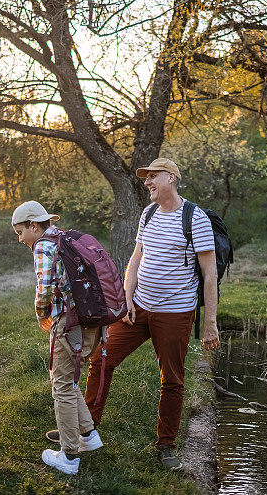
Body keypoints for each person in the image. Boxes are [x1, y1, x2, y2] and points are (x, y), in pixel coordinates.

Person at [84, 157, 221, 470]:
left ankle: (166, 445)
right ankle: (86, 429)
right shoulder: (148, 213)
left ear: (171, 178)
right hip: (138, 308)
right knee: (102, 359)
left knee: (171, 380)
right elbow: (136, 258)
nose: (146, 182)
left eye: (152, 177)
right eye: (145, 178)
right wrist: (126, 298)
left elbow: (209, 273)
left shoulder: (194, 217)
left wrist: (210, 323)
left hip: (175, 313)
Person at [12, 200, 103, 475]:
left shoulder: (42, 245)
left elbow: (44, 288)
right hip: (89, 319)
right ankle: (88, 436)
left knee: (61, 386)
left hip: (68, 321)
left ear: (33, 225)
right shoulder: (63, 237)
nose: (20, 239)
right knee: (69, 380)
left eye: (20, 232)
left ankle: (69, 456)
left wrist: (42, 315)